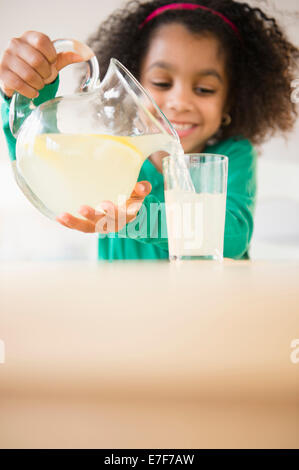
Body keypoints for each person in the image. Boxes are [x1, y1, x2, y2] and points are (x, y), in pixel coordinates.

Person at [0, 0, 298, 260]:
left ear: (231, 102)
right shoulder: (110, 153)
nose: (180, 102)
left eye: (205, 89)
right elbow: (39, 161)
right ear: (136, 83)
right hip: (126, 312)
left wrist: (135, 216)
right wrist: (27, 90)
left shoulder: (231, 155)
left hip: (213, 310)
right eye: (162, 83)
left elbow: (231, 238)